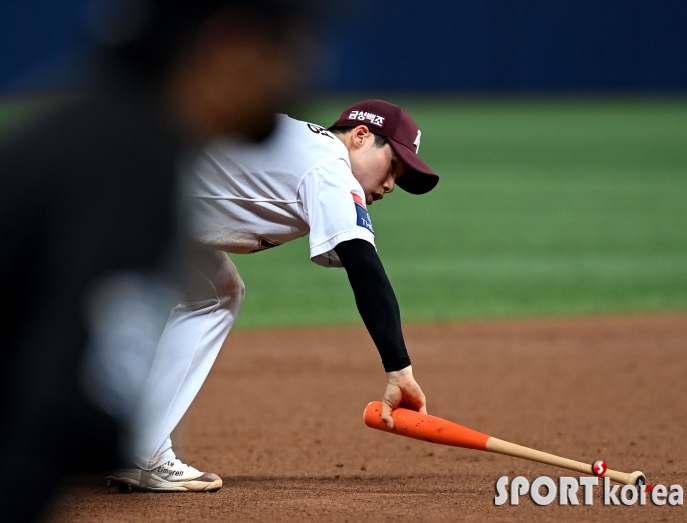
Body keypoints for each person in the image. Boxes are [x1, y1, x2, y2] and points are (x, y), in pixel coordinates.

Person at [0, 0, 314, 519]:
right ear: (229, 46)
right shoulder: (131, 161)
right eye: (289, 44)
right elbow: (57, 411)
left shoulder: (101, 127)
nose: (305, 64)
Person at [106, 99, 440, 493]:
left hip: (135, 186)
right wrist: (398, 368)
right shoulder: (330, 168)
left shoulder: (309, 151)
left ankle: (133, 446)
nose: (390, 185)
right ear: (361, 136)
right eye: (393, 167)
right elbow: (364, 268)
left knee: (218, 294)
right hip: (118, 189)